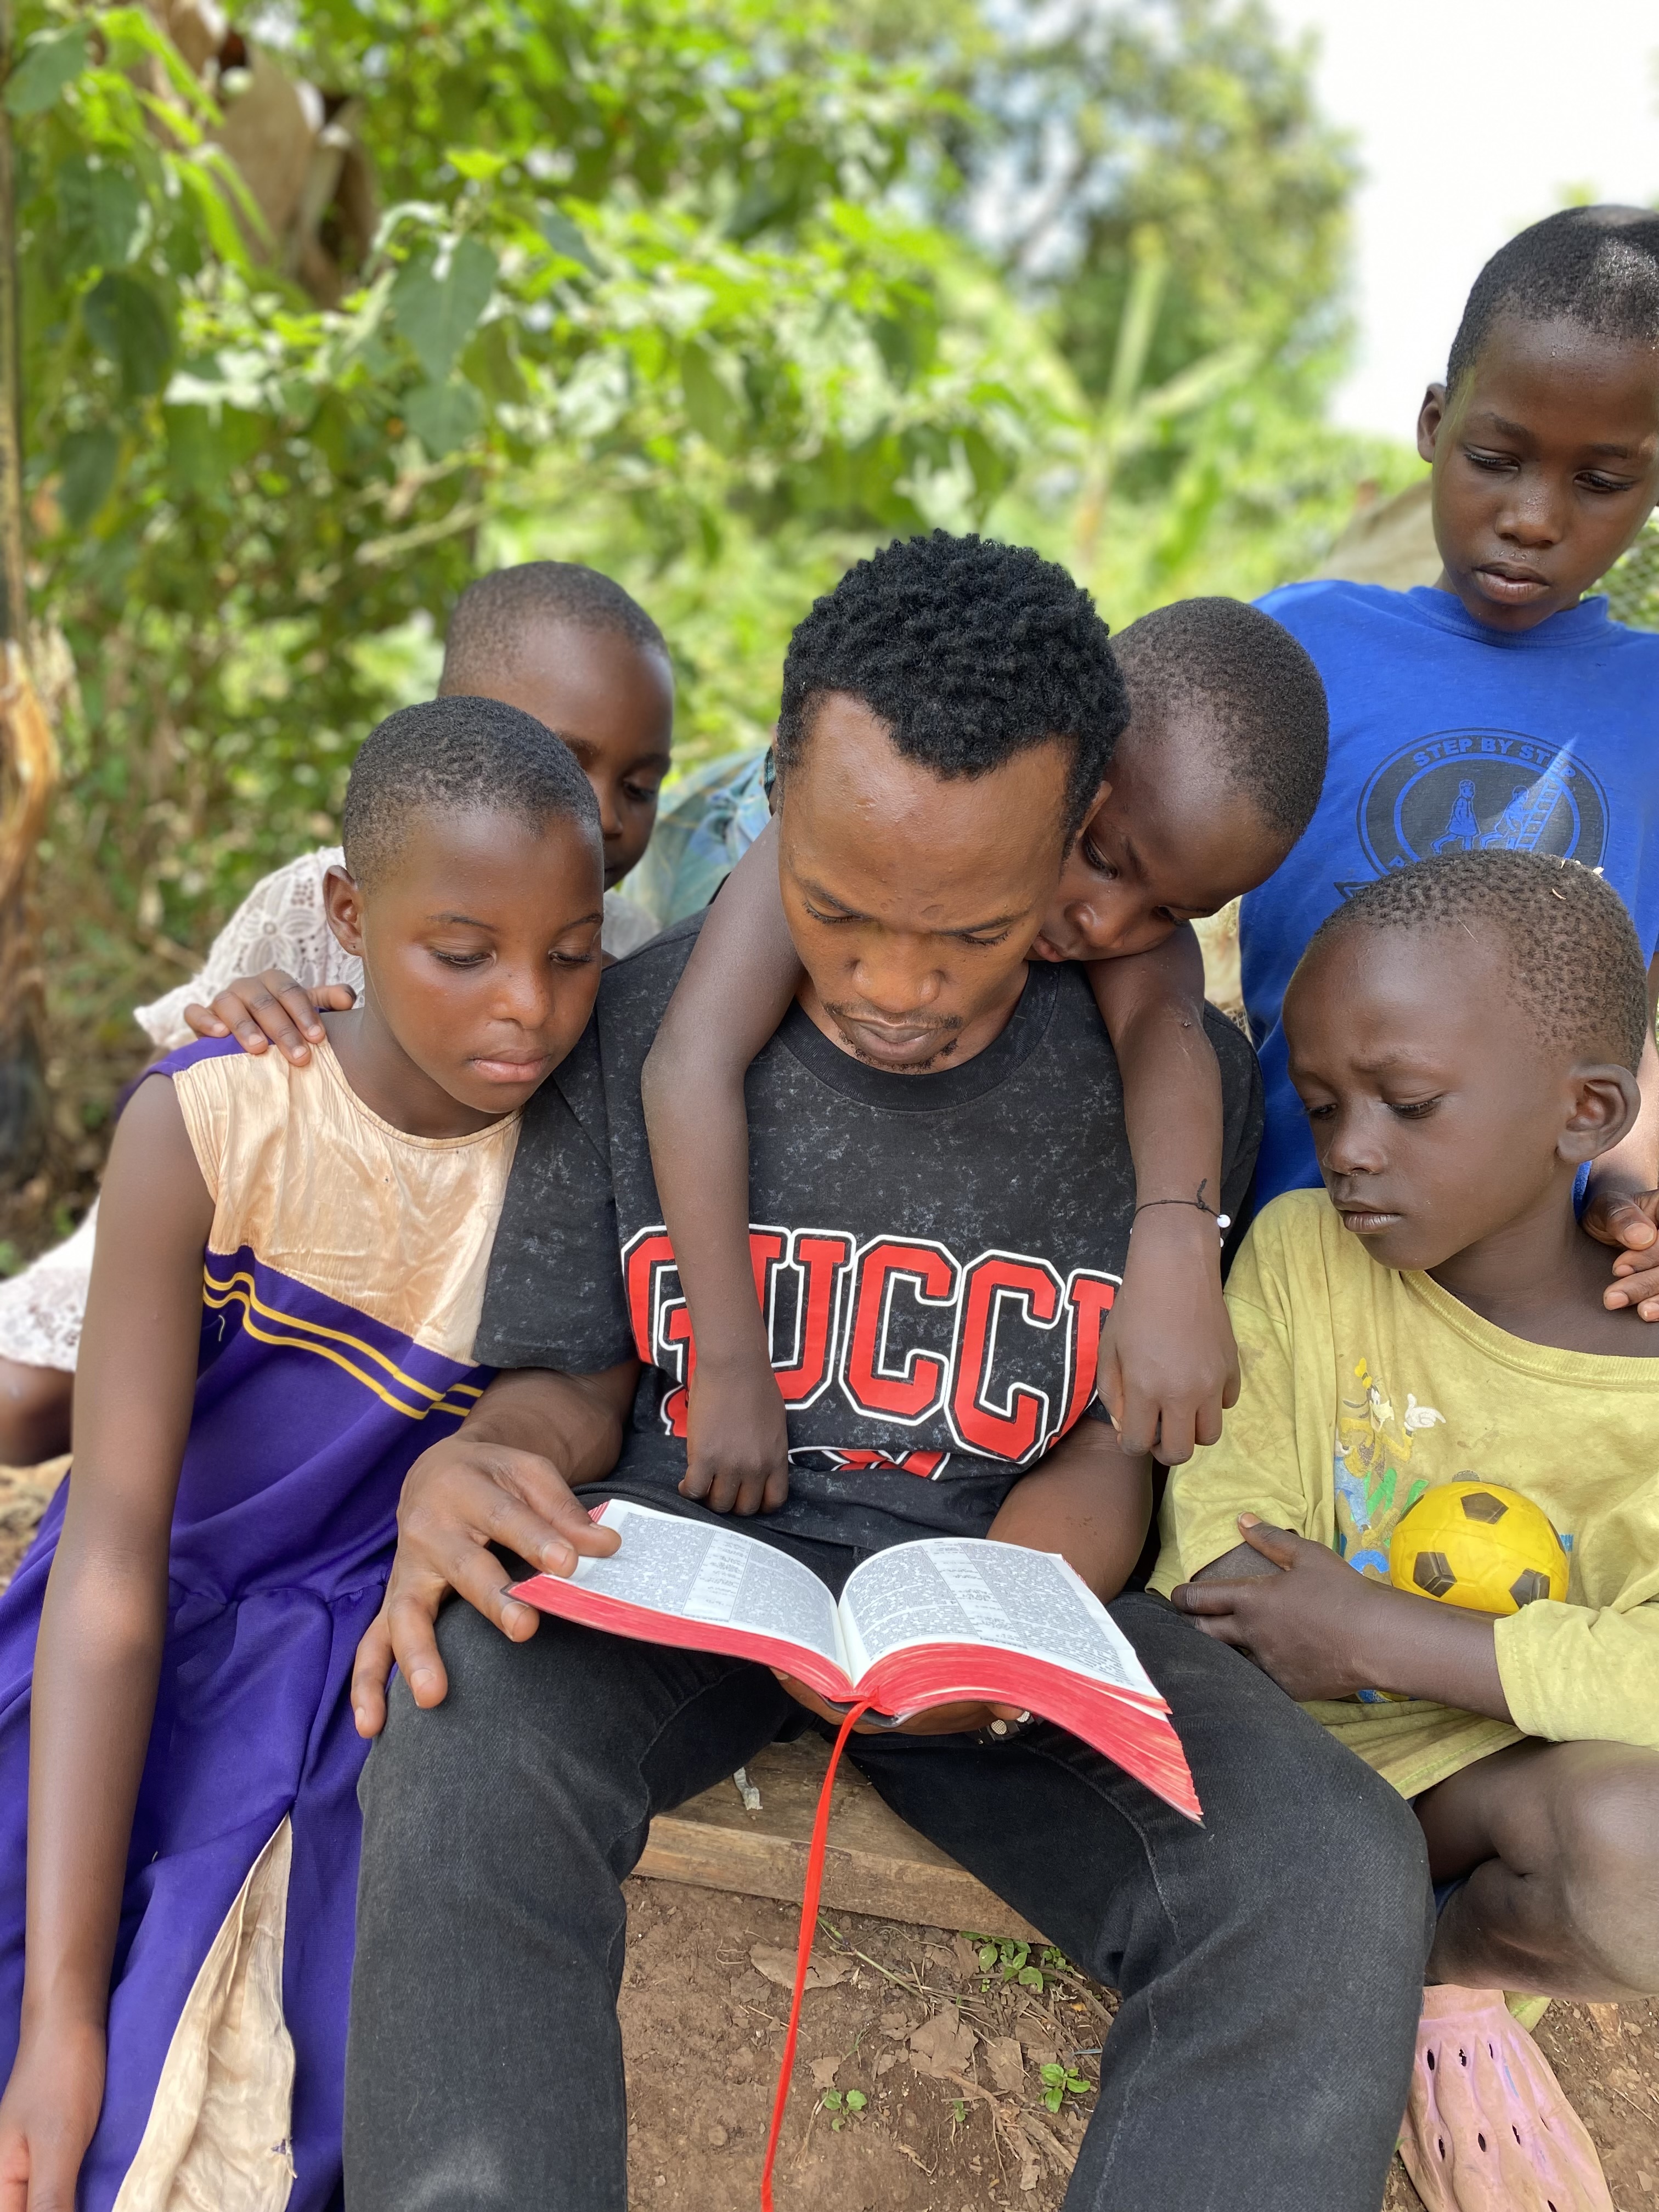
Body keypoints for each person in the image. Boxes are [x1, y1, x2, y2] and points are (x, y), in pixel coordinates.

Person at [342, 533, 1433, 2212]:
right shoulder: (632, 1031)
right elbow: (571, 1382)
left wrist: (1025, 1589)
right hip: (690, 1569)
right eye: (839, 914)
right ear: (779, 804)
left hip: (994, 1624)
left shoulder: (1166, 1090)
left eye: (974, 934)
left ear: (1078, 842)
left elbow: (1115, 1454)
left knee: (1332, 1875)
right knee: (467, 1708)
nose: (895, 987)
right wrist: (481, 1460)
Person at [0, 700, 614, 2212]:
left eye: (574, 952)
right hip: (126, 1630)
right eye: (461, 950)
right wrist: (58, 2018)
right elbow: (113, 1560)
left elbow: (590, 1394)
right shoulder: (216, 1124)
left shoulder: (584, 1160)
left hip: (358, 1683)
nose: (527, 1008)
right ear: (348, 913)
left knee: (228, 2105)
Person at [1155, 849, 1659, 2212]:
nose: (1351, 1147)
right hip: (1289, 1796)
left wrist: (1392, 1636)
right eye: (1322, 1105)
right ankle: (1363, 1940)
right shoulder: (1308, 1252)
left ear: (1587, 1114)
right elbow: (1218, 1556)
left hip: (1498, 1827)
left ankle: (1454, 1977)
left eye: (1411, 1104)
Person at [640, 596, 1329, 1491]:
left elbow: (1166, 1030)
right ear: (1065, 773)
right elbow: (689, 1060)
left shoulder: (1130, 903)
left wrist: (1179, 1245)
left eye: (1171, 912)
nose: (1102, 924)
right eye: (1103, 857)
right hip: (722, 825)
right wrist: (730, 1366)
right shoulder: (836, 845)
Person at [0, 559, 673, 1468]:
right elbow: (182, 1099)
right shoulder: (317, 900)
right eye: (563, 758)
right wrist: (237, 1014)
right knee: (29, 1404)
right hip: (242, 1248)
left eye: (639, 784)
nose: (602, 812)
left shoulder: (626, 953)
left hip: (423, 1294)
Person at [1240, 205, 1659, 1309]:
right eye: (1496, 458)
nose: (1532, 517)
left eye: (1600, 482)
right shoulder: (1298, 650)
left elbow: (1646, 1018)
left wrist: (1635, 1176)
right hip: (1279, 1287)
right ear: (1434, 422)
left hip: (1537, 1325)